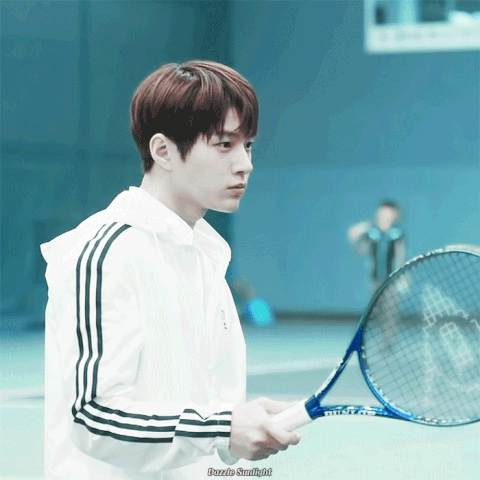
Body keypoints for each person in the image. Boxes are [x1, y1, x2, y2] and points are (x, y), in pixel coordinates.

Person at [40, 60, 300, 480]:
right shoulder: (106, 253)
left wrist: (236, 428)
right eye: (224, 144)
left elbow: (200, 415)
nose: (245, 164)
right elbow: (91, 418)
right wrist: (223, 428)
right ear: (163, 151)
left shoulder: (206, 255)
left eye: (248, 145)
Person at [348, 200, 406, 295]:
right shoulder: (372, 233)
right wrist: (356, 235)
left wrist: (403, 278)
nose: (385, 218)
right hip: (374, 281)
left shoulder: (396, 234)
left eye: (389, 215)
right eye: (383, 214)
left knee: (391, 302)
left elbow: (400, 257)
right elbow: (359, 250)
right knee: (375, 302)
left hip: (391, 281)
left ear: (395, 216)